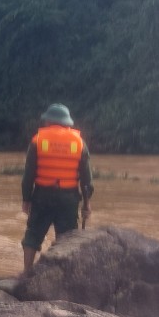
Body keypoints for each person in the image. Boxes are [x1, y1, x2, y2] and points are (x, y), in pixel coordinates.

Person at [21, 103, 94, 273]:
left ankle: (26, 273)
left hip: (42, 195)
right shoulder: (79, 143)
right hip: (68, 198)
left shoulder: (37, 140)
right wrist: (87, 204)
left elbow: (28, 175)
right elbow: (86, 179)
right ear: (67, 123)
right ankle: (65, 274)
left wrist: (26, 199)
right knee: (67, 238)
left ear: (48, 121)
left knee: (33, 235)